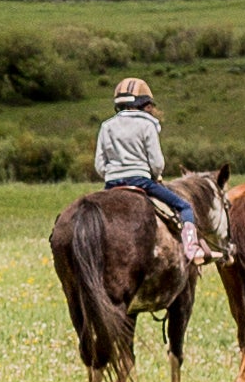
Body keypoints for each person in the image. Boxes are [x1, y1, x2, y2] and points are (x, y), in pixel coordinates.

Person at [92, 75, 219, 264]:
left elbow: (99, 164)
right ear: (144, 103)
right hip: (141, 181)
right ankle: (192, 249)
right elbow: (157, 163)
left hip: (111, 183)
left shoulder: (106, 126)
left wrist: (112, 175)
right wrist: (155, 175)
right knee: (184, 206)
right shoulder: (147, 124)